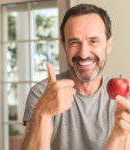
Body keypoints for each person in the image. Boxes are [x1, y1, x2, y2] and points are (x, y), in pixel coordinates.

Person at [21, 3, 130, 150]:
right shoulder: (42, 93)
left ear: (108, 45)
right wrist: (42, 113)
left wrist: (119, 134)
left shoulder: (125, 98)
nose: (84, 53)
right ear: (64, 45)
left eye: (93, 41)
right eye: (74, 42)